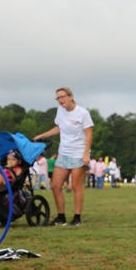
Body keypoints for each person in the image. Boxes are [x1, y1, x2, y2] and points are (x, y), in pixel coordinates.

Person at [33, 86, 94, 226]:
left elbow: (89, 134)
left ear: (70, 96)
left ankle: (77, 218)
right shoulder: (60, 111)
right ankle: (61, 217)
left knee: (76, 186)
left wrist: (85, 155)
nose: (60, 100)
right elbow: (59, 127)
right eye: (58, 98)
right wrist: (42, 135)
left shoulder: (83, 113)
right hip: (64, 152)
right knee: (55, 185)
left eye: (62, 96)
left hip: (78, 153)